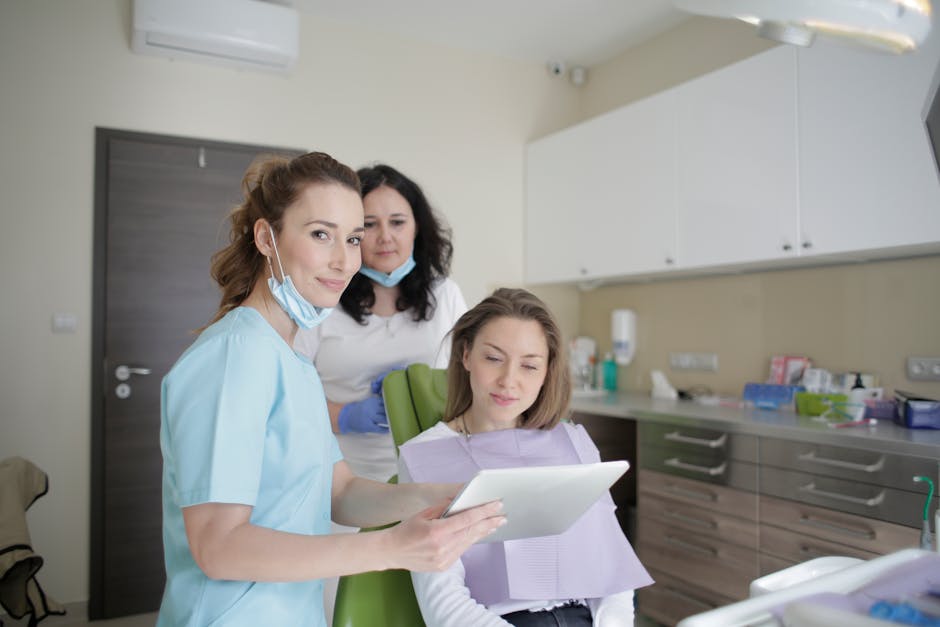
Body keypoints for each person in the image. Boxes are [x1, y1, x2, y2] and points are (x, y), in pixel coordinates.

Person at [157, 152, 504, 627]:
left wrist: (444, 498)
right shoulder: (235, 356)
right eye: (321, 234)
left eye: (352, 238)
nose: (345, 260)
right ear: (266, 237)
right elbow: (219, 548)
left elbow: (338, 491)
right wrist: (389, 547)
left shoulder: (291, 355)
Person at [398, 288, 653, 627]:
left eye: (530, 365)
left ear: (547, 372)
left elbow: (611, 573)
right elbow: (444, 606)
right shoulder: (426, 457)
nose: (509, 381)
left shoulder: (571, 442)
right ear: (466, 355)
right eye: (493, 358)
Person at [294, 163, 467, 483]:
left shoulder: (446, 296)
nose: (385, 237)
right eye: (369, 224)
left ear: (417, 227)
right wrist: (344, 416)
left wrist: (427, 387)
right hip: (338, 478)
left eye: (398, 222)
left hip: (429, 474)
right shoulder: (321, 300)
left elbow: (470, 381)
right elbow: (288, 397)